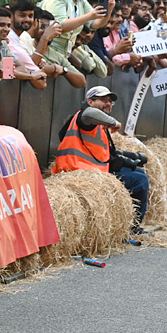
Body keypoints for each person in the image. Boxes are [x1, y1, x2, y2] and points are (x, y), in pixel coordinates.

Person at [52, 86, 150, 232]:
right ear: (90, 102)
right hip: (79, 172)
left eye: (110, 101)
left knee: (140, 174)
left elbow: (107, 154)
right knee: (139, 181)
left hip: (93, 170)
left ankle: (124, 223)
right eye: (103, 100)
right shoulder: (85, 118)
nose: (108, 104)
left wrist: (133, 158)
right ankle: (132, 228)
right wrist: (114, 123)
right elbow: (89, 113)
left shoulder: (99, 126)